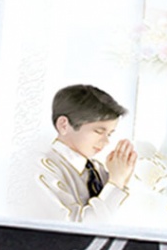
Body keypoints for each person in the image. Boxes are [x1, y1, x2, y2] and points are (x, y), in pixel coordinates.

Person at [38, 84, 137, 223]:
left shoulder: (98, 170)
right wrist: (115, 182)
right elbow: (74, 226)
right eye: (98, 131)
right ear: (64, 125)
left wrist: (122, 179)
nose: (106, 141)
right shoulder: (44, 169)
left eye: (109, 134)